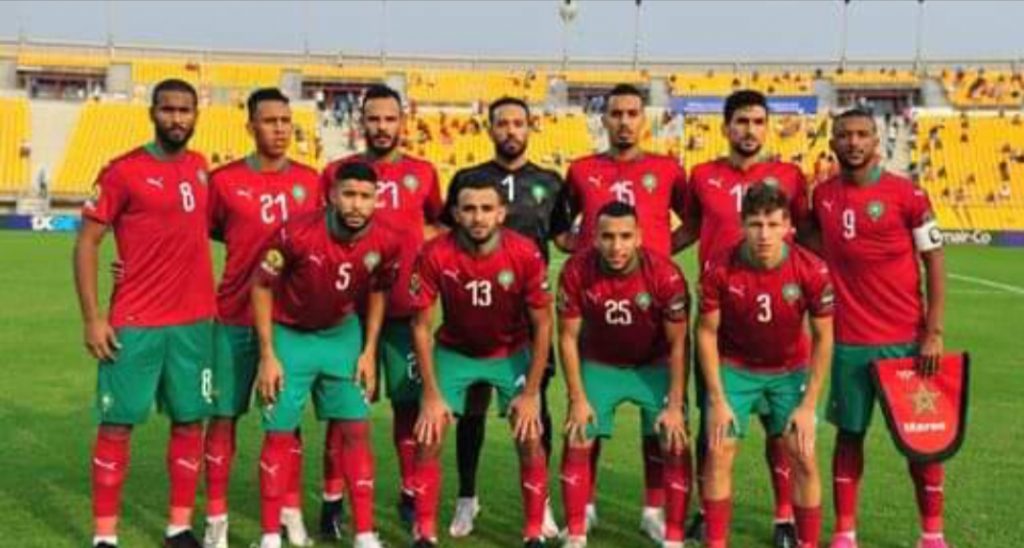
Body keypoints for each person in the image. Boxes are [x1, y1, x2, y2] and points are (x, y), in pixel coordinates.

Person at [74, 78, 215, 548]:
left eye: (185, 110)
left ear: (196, 116)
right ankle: (105, 536)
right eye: (168, 110)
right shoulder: (123, 171)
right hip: (135, 322)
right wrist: (93, 317)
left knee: (189, 422)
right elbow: (87, 243)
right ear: (152, 113)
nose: (177, 118)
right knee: (116, 424)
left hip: (195, 322)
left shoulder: (200, 166)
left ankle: (179, 527)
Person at [674, 89, 811, 547]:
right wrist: (644, 257)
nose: (749, 130)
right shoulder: (702, 175)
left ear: (766, 127)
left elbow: (806, 235)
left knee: (780, 428)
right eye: (741, 122)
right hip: (720, 319)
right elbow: (689, 229)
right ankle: (704, 511)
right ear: (726, 127)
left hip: (777, 315)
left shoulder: (790, 176)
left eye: (757, 122)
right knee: (712, 421)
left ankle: (784, 516)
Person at [808, 109, 948, 548]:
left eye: (862, 134)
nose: (853, 142)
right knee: (849, 436)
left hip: (905, 342)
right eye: (845, 135)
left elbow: (935, 260)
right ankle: (845, 532)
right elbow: (809, 242)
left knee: (922, 442)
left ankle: (932, 534)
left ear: (876, 141)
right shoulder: (822, 196)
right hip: (848, 343)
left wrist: (933, 332)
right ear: (832, 142)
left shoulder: (908, 194)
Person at [560, 83, 688, 541]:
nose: (624, 121)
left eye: (633, 113)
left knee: (663, 432)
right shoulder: (581, 170)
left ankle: (655, 511)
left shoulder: (667, 169)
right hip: (599, 316)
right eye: (616, 113)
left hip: (652, 308)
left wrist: (661, 255)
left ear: (643, 118)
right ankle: (585, 508)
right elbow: (559, 223)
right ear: (604, 119)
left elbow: (692, 220)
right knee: (585, 422)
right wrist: (581, 253)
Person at [440, 96, 571, 539]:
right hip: (474, 310)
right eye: (502, 123)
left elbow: (564, 239)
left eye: (518, 123)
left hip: (529, 314)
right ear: (490, 128)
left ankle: (541, 504)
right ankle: (467, 497)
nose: (510, 130)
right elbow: (444, 236)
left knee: (536, 408)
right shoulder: (468, 179)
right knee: (472, 406)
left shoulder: (550, 181)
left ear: (530, 128)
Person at [251, 161, 399, 548]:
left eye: (365, 196)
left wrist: (369, 350)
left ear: (376, 199)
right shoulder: (296, 232)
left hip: (342, 337)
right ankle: (270, 536)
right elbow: (262, 285)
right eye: (348, 194)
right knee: (278, 433)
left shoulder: (386, 241)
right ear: (332, 195)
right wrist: (268, 353)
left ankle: (364, 534)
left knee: (356, 430)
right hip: (290, 337)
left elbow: (379, 291)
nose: (356, 204)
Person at [318, 84, 445, 535]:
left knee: (409, 408)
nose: (382, 127)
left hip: (408, 313)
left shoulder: (423, 172)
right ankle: (332, 500)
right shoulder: (336, 173)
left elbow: (440, 223)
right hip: (350, 315)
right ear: (361, 121)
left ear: (402, 121)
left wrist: (417, 258)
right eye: (373, 118)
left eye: (390, 118)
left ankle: (411, 493)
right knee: (346, 412)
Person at [202, 88, 323, 548]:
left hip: (290, 322)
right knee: (224, 417)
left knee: (286, 422)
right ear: (250, 126)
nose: (279, 128)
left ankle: (290, 511)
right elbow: (204, 234)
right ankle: (217, 520)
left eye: (286, 121)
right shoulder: (223, 181)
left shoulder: (312, 182)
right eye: (270, 121)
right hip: (233, 315)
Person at [408, 178, 554, 548]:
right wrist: (430, 394)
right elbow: (421, 326)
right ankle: (424, 531)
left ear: (501, 213)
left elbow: (543, 324)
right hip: (455, 352)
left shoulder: (524, 252)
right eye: (469, 209)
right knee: (428, 433)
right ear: (456, 214)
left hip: (509, 352)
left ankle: (534, 530)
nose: (478, 217)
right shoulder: (435, 253)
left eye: (487, 209)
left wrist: (531, 393)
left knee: (530, 435)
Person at [697, 183, 834, 548]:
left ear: (788, 225)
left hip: (790, 371)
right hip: (735, 368)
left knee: (803, 455)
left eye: (773, 224)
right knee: (719, 451)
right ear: (742, 224)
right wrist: (718, 399)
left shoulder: (811, 269)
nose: (764, 234)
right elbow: (706, 332)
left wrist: (808, 405)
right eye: (756, 224)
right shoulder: (719, 267)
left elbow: (823, 337)